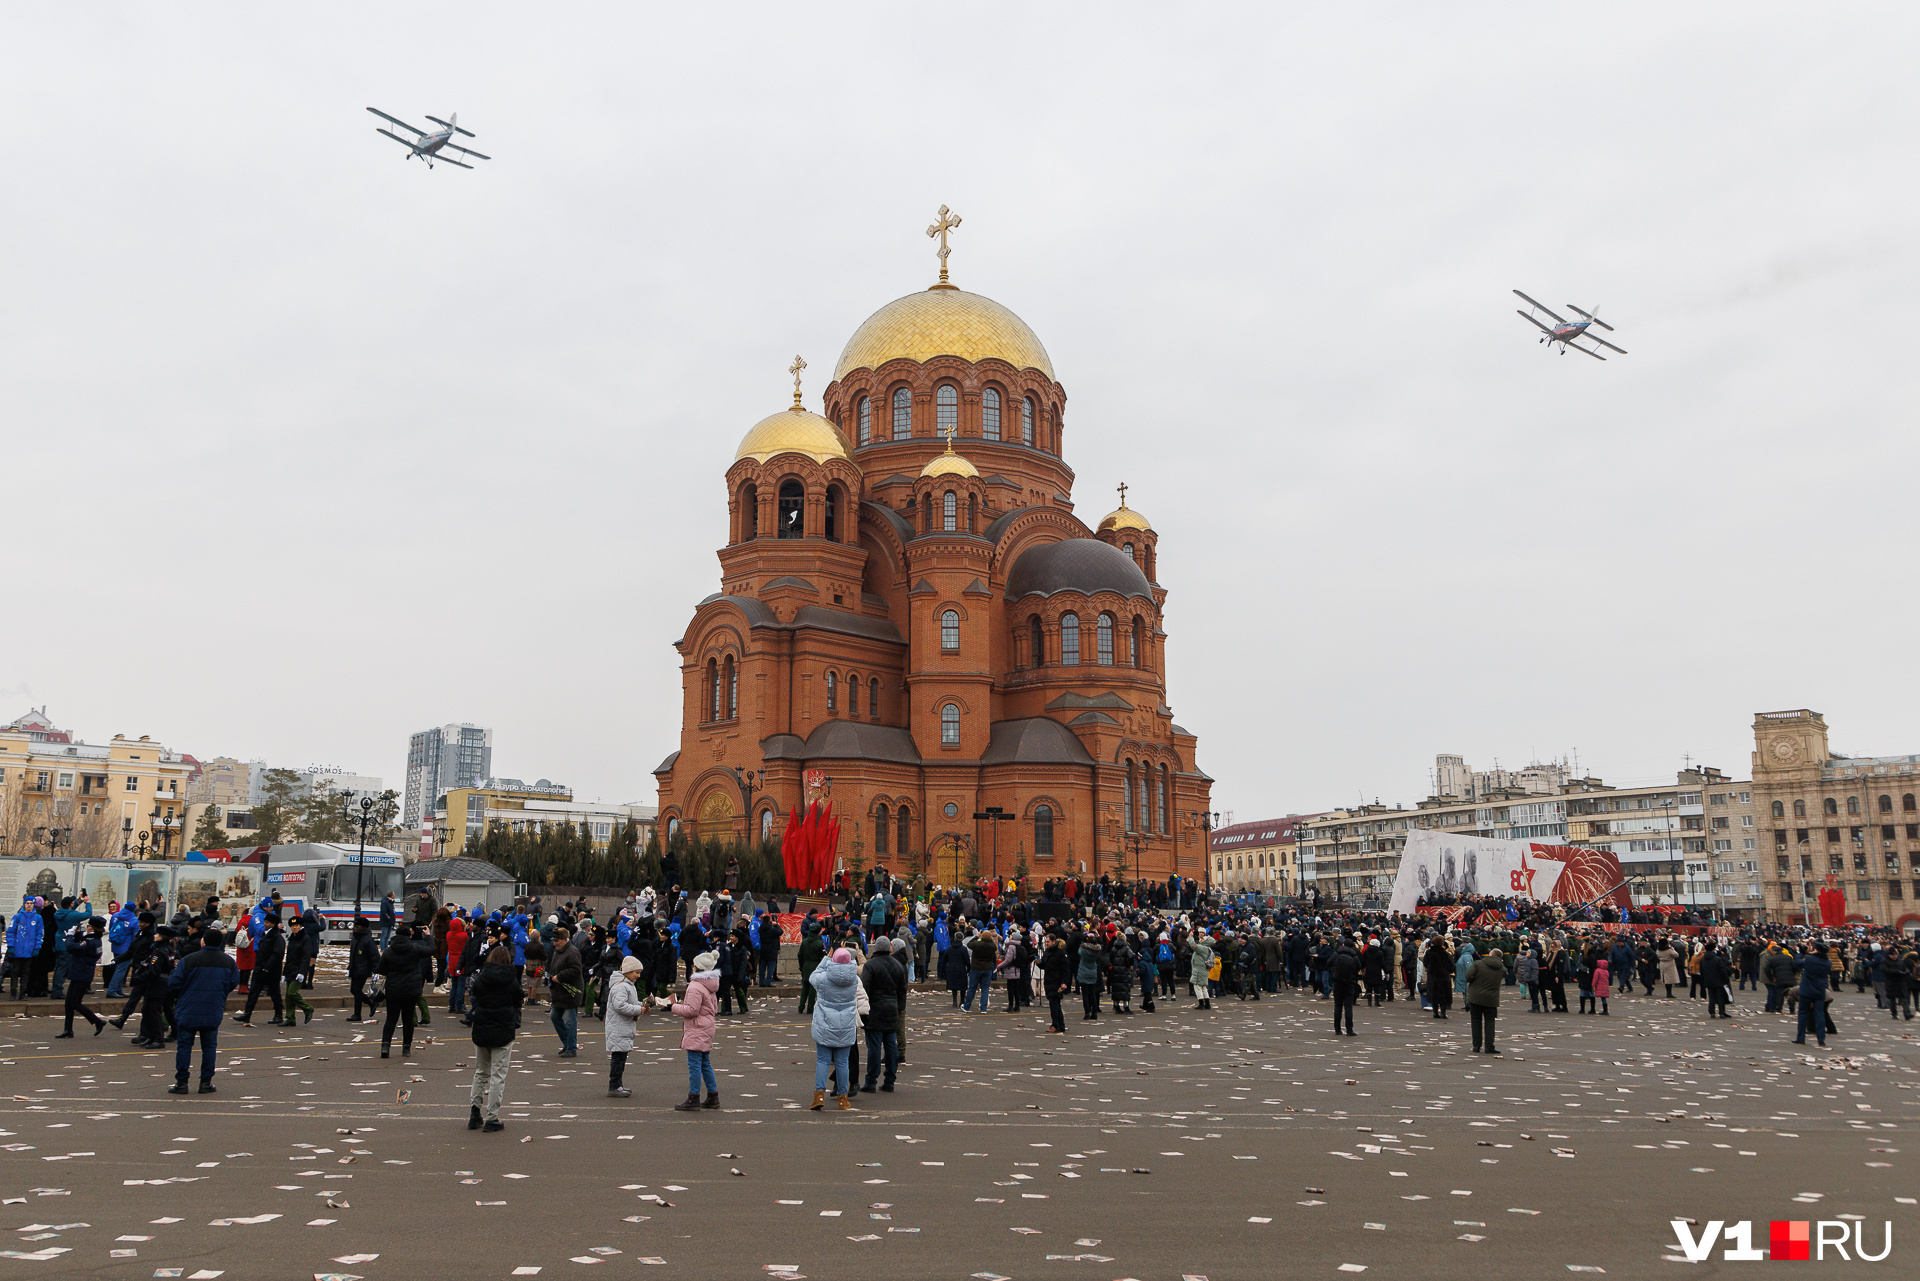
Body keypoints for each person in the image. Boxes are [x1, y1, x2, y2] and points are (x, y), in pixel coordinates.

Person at [166, 928, 238, 1094]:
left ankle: (182, 1082)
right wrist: (220, 993)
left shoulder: (189, 960)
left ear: (203, 941)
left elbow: (174, 983)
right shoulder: (228, 962)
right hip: (213, 1007)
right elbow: (233, 982)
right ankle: (206, 1082)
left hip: (188, 1007)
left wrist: (182, 994)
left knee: (184, 1046)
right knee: (209, 1046)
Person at [467, 944, 523, 1131]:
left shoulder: (482, 977)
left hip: (482, 1026)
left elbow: (474, 994)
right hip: (503, 1028)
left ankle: (475, 1112)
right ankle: (492, 1116)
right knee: (498, 1075)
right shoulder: (511, 979)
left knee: (481, 1072)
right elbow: (518, 999)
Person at [663, 948, 721, 1111]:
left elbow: (691, 1011)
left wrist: (672, 1006)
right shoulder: (711, 984)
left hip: (697, 1027)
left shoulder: (695, 986)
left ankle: (693, 1097)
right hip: (707, 1026)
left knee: (694, 1064)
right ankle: (713, 1095)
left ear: (697, 967)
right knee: (705, 1062)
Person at [808, 946, 859, 1110]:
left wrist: (826, 959)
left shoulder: (823, 978)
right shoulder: (854, 980)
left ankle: (819, 1095)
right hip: (845, 1025)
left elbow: (812, 976)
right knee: (843, 1062)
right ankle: (843, 1099)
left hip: (825, 1023)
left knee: (823, 1060)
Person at [378, 923, 434, 1059]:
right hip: (411, 989)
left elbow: (381, 969)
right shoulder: (414, 948)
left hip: (393, 988)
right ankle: (406, 1047)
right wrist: (428, 936)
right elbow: (431, 950)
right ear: (409, 936)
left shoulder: (389, 951)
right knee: (408, 1019)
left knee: (391, 1019)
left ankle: (385, 1045)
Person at [860, 937, 904, 1093]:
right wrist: (898, 1006)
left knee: (874, 1047)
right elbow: (902, 989)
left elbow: (864, 987)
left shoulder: (871, 965)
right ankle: (890, 1080)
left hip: (874, 1009)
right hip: (891, 1008)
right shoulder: (898, 965)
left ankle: (871, 1081)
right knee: (891, 1045)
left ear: (876, 948)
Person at [55, 918, 108, 1038]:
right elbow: (80, 942)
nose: (87, 927)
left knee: (75, 1002)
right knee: (69, 1003)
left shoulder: (91, 942)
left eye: (89, 926)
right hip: (79, 973)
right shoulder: (93, 939)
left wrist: (69, 936)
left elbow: (72, 947)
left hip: (82, 974)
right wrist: (77, 933)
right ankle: (68, 1030)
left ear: (92, 928)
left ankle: (97, 1021)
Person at [604, 955, 646, 1098]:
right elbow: (620, 1006)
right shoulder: (621, 987)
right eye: (636, 972)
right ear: (628, 971)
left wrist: (642, 1005)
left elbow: (630, 1003)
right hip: (618, 1028)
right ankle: (614, 1086)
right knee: (618, 1060)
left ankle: (618, 1085)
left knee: (620, 1059)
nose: (638, 976)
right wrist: (639, 1009)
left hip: (622, 1027)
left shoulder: (627, 985)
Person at [236, 914, 286, 1026]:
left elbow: (277, 954)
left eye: (267, 923)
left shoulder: (277, 937)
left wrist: (267, 968)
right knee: (253, 992)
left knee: (274, 993)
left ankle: (278, 1015)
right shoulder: (266, 935)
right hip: (260, 968)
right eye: (265, 922)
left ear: (273, 924)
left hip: (271, 970)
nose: (265, 924)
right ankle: (247, 1014)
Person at [547, 926, 584, 1057]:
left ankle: (571, 1048)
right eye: (554, 940)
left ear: (564, 940)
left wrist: (560, 976)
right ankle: (567, 1043)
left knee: (570, 1021)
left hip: (570, 993)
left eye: (557, 941)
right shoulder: (557, 952)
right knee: (554, 1016)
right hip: (559, 991)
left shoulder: (572, 952)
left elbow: (576, 970)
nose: (554, 943)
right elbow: (553, 968)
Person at [1464, 947, 1506, 1054]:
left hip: (1475, 997)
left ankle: (1476, 1046)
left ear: (1490, 954)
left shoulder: (1478, 964)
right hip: (1491, 999)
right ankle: (1489, 1046)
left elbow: (1468, 977)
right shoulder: (1502, 969)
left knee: (1476, 1021)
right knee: (1490, 1022)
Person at [1792, 943, 1832, 1048]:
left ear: (1817, 950)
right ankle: (1821, 1039)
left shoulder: (1810, 959)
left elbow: (1798, 963)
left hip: (1807, 989)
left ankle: (1801, 1038)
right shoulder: (1827, 963)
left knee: (1803, 1014)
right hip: (1819, 990)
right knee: (1819, 1014)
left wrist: (1801, 953)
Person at [283, 916, 317, 1026]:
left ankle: (308, 1008)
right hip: (290, 970)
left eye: (296, 926)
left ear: (301, 926)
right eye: (292, 926)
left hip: (299, 970)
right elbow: (289, 957)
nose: (294, 928)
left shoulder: (305, 938)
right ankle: (290, 1019)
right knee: (288, 997)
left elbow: (305, 957)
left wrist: (302, 972)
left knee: (292, 993)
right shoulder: (292, 938)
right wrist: (284, 973)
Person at [1041, 934, 1073, 1033]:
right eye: (1046, 942)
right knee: (1055, 1003)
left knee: (1054, 1003)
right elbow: (1044, 965)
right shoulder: (1047, 952)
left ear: (1054, 941)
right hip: (1049, 980)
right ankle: (1060, 1025)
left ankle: (1055, 1024)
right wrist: (1039, 963)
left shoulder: (1061, 953)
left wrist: (1064, 982)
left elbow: (1066, 969)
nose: (1046, 944)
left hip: (1056, 981)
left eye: (1048, 942)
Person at [1329, 936, 1359, 1036]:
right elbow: (1359, 966)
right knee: (1348, 1006)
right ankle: (1349, 1029)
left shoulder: (1337, 953)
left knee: (1338, 1006)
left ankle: (1337, 1029)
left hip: (1337, 981)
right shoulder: (1354, 956)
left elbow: (1328, 962)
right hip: (1349, 982)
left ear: (1343, 944)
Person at [964, 927, 997, 1013]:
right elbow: (994, 947)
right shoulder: (992, 946)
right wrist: (989, 938)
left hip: (976, 967)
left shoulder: (977, 944)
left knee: (972, 988)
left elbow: (969, 944)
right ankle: (983, 1008)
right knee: (985, 989)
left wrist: (977, 936)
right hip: (987, 968)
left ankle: (966, 1006)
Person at [797, 924, 825, 1015]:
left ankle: (801, 1007)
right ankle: (810, 1008)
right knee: (812, 988)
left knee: (805, 987)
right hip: (815, 965)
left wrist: (801, 966)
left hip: (805, 965)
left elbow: (800, 955)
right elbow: (822, 957)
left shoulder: (804, 942)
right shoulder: (819, 943)